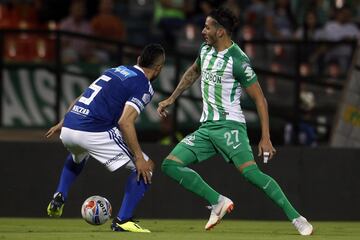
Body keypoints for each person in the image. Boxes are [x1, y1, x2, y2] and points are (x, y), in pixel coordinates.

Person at [157, 8, 313, 235]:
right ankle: (217, 201)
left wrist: (266, 137)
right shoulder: (205, 50)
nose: (202, 31)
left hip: (230, 127)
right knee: (170, 165)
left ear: (220, 32)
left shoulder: (238, 60)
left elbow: (260, 99)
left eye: (207, 27)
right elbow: (193, 72)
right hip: (206, 129)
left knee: (252, 174)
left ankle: (297, 218)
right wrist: (172, 98)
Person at [46, 43, 165, 233]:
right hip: (93, 130)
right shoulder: (143, 85)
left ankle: (60, 194)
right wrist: (139, 158)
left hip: (70, 126)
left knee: (79, 154)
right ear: (159, 68)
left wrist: (63, 121)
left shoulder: (116, 70)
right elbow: (125, 122)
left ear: (138, 60)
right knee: (146, 168)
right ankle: (122, 221)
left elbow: (81, 96)